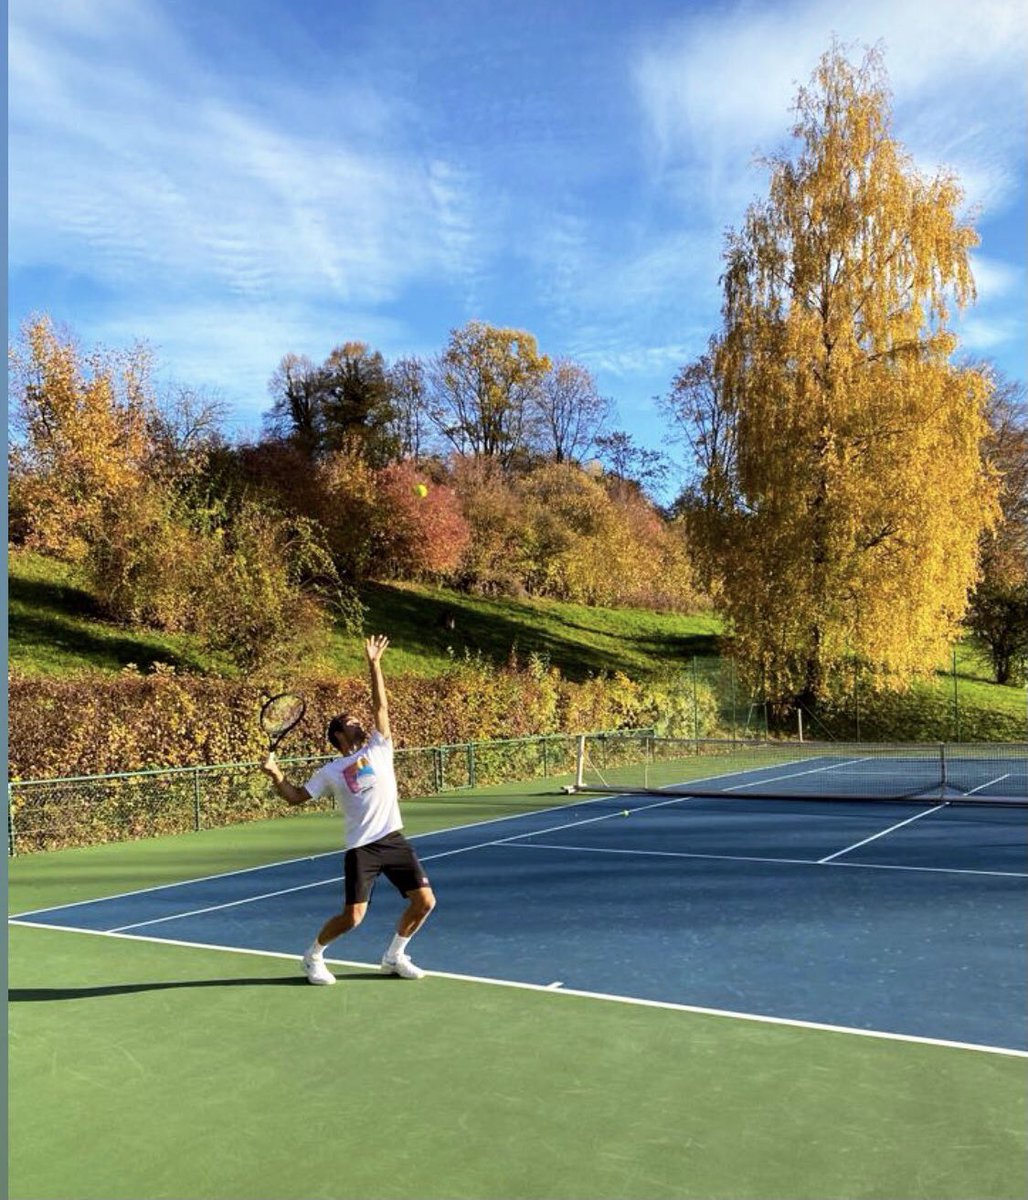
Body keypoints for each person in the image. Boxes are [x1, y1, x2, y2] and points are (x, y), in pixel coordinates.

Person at [261, 634, 436, 984]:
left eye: (358, 720)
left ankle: (394, 956)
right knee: (354, 916)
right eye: (350, 721)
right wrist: (277, 775)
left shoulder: (378, 747)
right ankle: (313, 956)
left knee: (425, 902)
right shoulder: (329, 771)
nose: (359, 722)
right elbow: (296, 797)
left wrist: (375, 665)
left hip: (394, 839)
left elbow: (381, 708)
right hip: (362, 848)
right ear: (338, 735)